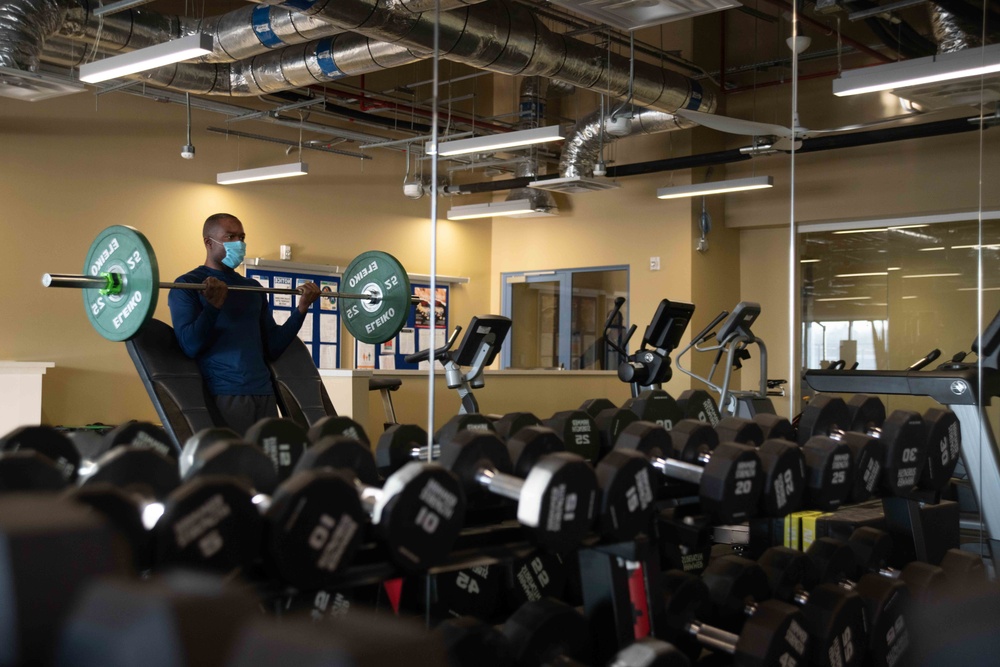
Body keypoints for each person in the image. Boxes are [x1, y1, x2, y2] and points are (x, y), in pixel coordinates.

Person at [168, 213, 320, 435]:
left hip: (263, 393)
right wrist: (213, 307)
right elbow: (189, 346)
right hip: (223, 393)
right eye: (230, 237)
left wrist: (302, 309)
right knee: (236, 465)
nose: (238, 243)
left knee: (270, 464)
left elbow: (273, 347)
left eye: (242, 237)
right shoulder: (188, 285)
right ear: (208, 242)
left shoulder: (252, 288)